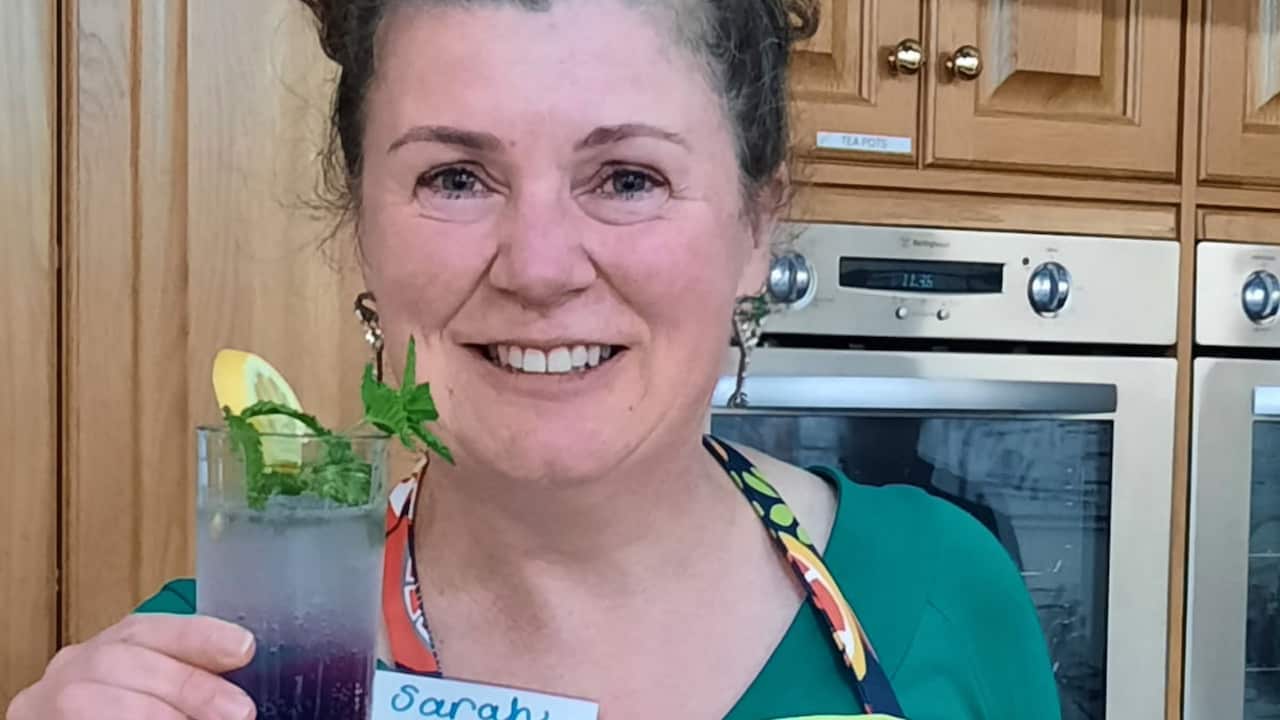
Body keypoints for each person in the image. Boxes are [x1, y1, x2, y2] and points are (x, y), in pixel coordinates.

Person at [6, 1, 1062, 718]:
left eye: (628, 177)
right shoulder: (208, 666)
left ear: (756, 228)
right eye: (457, 177)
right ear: (361, 223)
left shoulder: (943, 593)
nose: (540, 265)